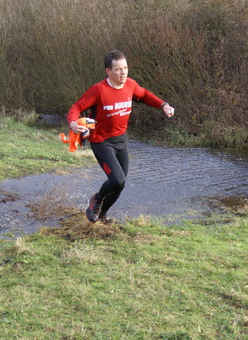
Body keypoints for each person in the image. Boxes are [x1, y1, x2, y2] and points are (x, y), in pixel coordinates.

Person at [67, 50, 175, 223]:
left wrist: (163, 105)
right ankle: (97, 199)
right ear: (108, 71)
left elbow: (145, 95)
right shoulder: (98, 90)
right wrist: (73, 123)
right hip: (101, 142)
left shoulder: (130, 85)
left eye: (125, 68)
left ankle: (102, 215)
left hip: (121, 140)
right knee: (116, 179)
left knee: (120, 184)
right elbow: (76, 107)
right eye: (118, 69)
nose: (123, 72)